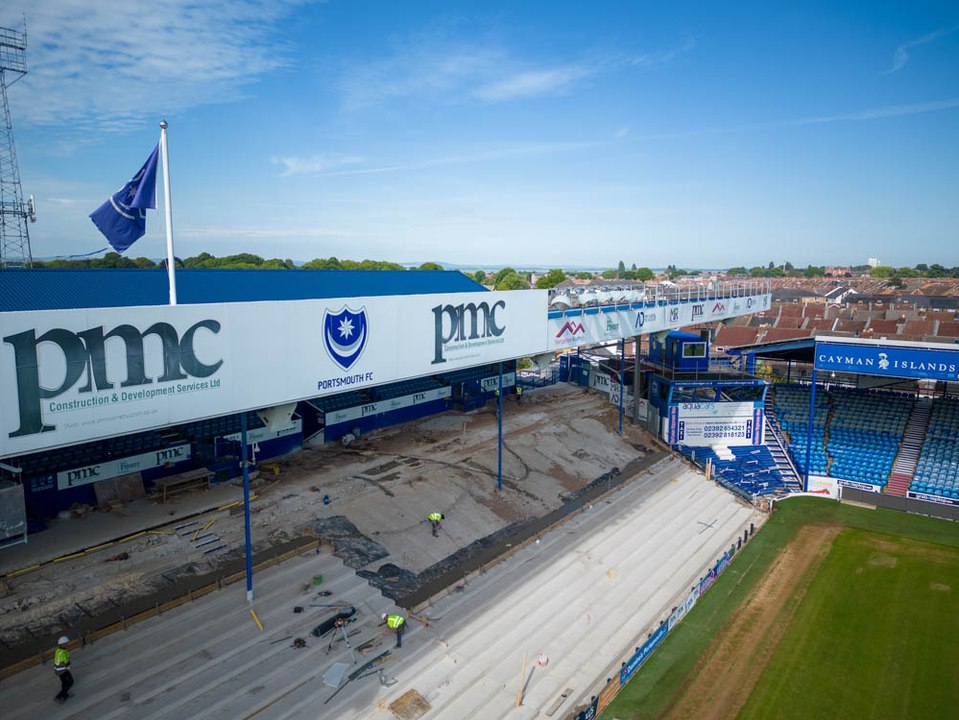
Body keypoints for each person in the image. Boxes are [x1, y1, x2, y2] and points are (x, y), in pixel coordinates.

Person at [53, 635, 74, 703]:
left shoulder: (59, 650)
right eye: (66, 643)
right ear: (63, 644)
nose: (67, 644)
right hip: (62, 670)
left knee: (64, 683)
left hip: (59, 670)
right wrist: (67, 666)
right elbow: (61, 663)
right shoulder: (62, 652)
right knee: (70, 682)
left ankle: (64, 695)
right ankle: (60, 696)